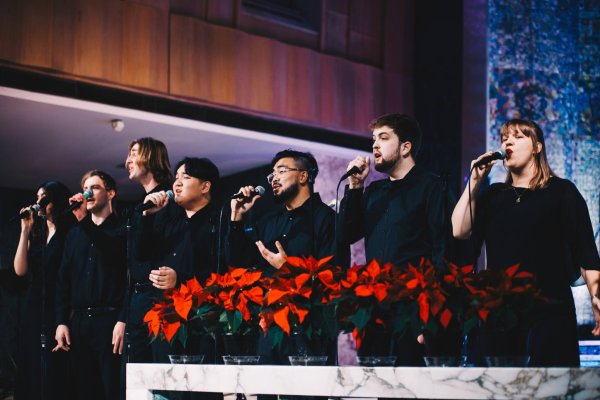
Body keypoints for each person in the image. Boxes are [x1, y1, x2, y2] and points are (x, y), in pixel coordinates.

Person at [451, 118, 600, 366]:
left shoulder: (562, 192)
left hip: (550, 308)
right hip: (501, 309)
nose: (508, 141)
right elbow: (459, 230)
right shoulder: (493, 196)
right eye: (504, 138)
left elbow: (586, 252)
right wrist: (475, 181)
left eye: (518, 136)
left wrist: (596, 295)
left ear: (537, 147)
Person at [228, 149, 345, 400]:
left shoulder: (327, 220)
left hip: (310, 328)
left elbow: (335, 278)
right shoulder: (270, 222)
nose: (274, 178)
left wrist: (289, 269)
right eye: (272, 174)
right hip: (269, 326)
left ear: (303, 176)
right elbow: (238, 264)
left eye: (282, 171)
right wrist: (237, 218)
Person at [338, 113, 448, 365]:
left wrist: (429, 314)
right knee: (377, 383)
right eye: (373, 139)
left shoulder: (432, 187)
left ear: (405, 147)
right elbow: (345, 234)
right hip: (375, 307)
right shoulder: (374, 191)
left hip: (413, 307)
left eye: (384, 138)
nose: (375, 145)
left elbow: (442, 249)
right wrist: (355, 188)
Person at [136, 156, 223, 400]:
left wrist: (181, 279)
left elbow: (223, 274)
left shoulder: (220, 221)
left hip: (201, 323)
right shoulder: (169, 222)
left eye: (185, 177)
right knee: (165, 390)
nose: (177, 183)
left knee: (199, 392)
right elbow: (141, 255)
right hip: (166, 320)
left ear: (205, 186)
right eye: (176, 178)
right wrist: (148, 216)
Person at [53, 170, 127, 400]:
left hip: (109, 321)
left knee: (111, 389)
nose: (88, 192)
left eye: (95, 187)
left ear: (111, 193)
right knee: (84, 390)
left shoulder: (122, 228)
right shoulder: (75, 234)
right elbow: (63, 281)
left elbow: (123, 269)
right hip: (80, 323)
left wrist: (122, 318)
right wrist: (62, 321)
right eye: (86, 187)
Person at [13, 181, 74, 400]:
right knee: (31, 361)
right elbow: (20, 270)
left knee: (53, 364)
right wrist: (25, 231)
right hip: (34, 303)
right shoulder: (36, 233)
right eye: (37, 197)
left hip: (57, 302)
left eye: (44, 197)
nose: (39, 202)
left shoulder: (69, 232)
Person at [124, 137, 173, 363]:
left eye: (135, 153)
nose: (128, 160)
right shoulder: (141, 205)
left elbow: (151, 251)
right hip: (139, 297)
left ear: (151, 158)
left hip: (160, 296)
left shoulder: (170, 199)